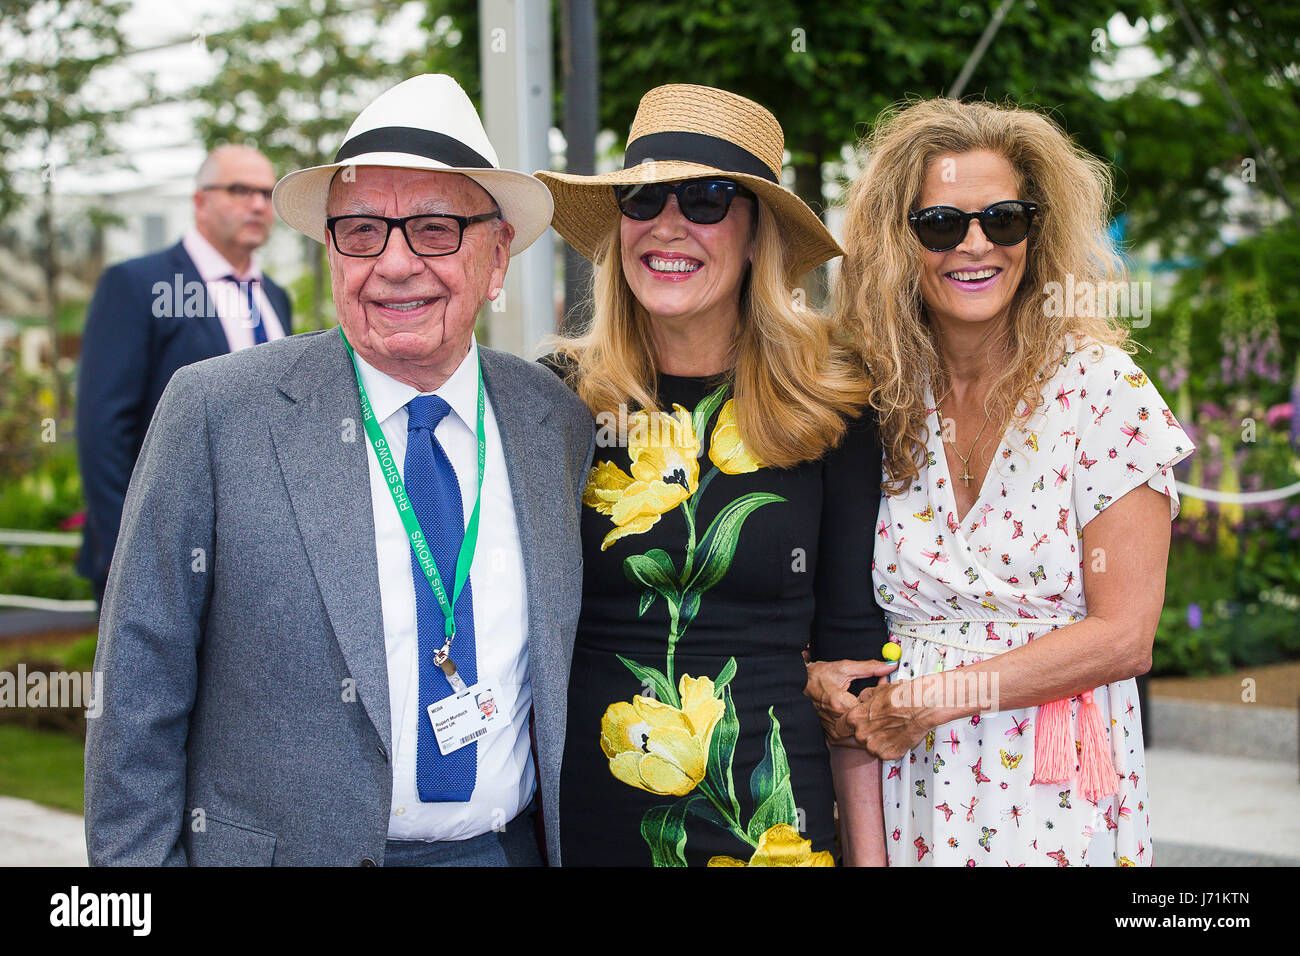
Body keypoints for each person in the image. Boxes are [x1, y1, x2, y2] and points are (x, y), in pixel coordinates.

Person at [84, 74, 594, 866]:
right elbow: (136, 693)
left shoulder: (551, 419)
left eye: (433, 228)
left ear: (497, 258)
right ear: (331, 252)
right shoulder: (219, 412)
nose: (393, 265)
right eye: (360, 230)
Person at [808, 97, 1196, 866]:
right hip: (910, 787)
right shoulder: (876, 400)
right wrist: (821, 679)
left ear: (1037, 232)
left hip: (1056, 792)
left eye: (1005, 219)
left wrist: (933, 697)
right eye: (942, 224)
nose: (975, 245)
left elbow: (1126, 637)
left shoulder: (1102, 391)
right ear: (898, 241)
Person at [535, 84, 893, 867]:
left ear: (759, 235)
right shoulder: (558, 400)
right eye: (642, 199)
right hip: (590, 825)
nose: (667, 225)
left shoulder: (832, 405)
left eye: (704, 200)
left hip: (772, 828)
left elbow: (854, 663)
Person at [76, 144, 293, 606]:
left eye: (265, 192)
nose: (257, 204)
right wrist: (127, 550)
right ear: (200, 201)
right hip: (160, 551)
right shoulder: (138, 285)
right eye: (239, 190)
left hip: (260, 562)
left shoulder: (276, 297)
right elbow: (102, 427)